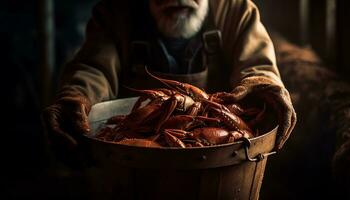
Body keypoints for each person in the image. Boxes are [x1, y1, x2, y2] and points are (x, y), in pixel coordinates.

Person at [42, 0, 296, 160]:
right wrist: (76, 95)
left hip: (219, 157)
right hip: (136, 164)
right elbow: (93, 69)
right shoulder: (114, 13)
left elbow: (257, 66)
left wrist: (265, 84)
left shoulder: (237, 10)